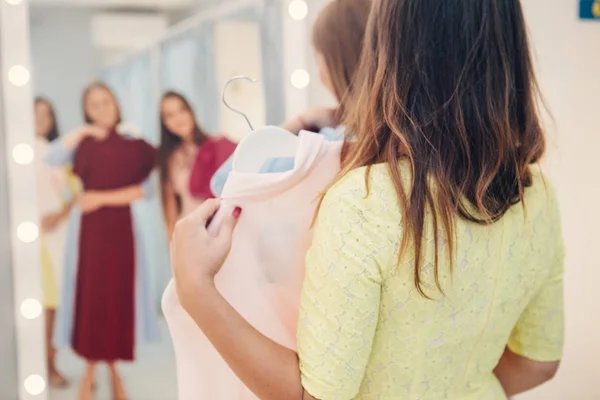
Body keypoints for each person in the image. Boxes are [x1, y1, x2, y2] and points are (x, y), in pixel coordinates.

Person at [170, 0, 565, 399]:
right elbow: (538, 363)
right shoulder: (537, 195)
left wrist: (196, 291)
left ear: (388, 49)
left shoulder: (365, 202)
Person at [47, 82, 159, 400]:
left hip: (121, 233)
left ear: (116, 103)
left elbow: (145, 191)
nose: (101, 109)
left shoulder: (134, 143)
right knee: (91, 299)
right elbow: (50, 157)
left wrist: (100, 198)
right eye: (93, 105)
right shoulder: (81, 144)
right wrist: (83, 131)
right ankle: (93, 369)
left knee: (117, 299)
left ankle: (111, 369)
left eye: (105, 102)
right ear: (86, 111)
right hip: (89, 235)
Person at [210, 0, 372, 197]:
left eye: (317, 60)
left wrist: (299, 121)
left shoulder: (328, 147)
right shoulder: (404, 136)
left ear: (337, 63)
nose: (319, 73)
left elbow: (224, 183)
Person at [34, 97, 74, 388]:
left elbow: (75, 194)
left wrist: (59, 215)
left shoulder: (59, 155)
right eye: (36, 113)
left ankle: (49, 365)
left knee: (53, 307)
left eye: (47, 114)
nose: (41, 118)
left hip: (58, 239)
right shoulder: (18, 153)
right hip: (29, 240)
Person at [158, 91, 235, 238]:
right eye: (169, 115)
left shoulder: (217, 144)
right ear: (164, 123)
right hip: (192, 232)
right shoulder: (169, 160)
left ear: (190, 111)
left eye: (181, 110)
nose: (178, 119)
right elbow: (170, 210)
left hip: (223, 226)